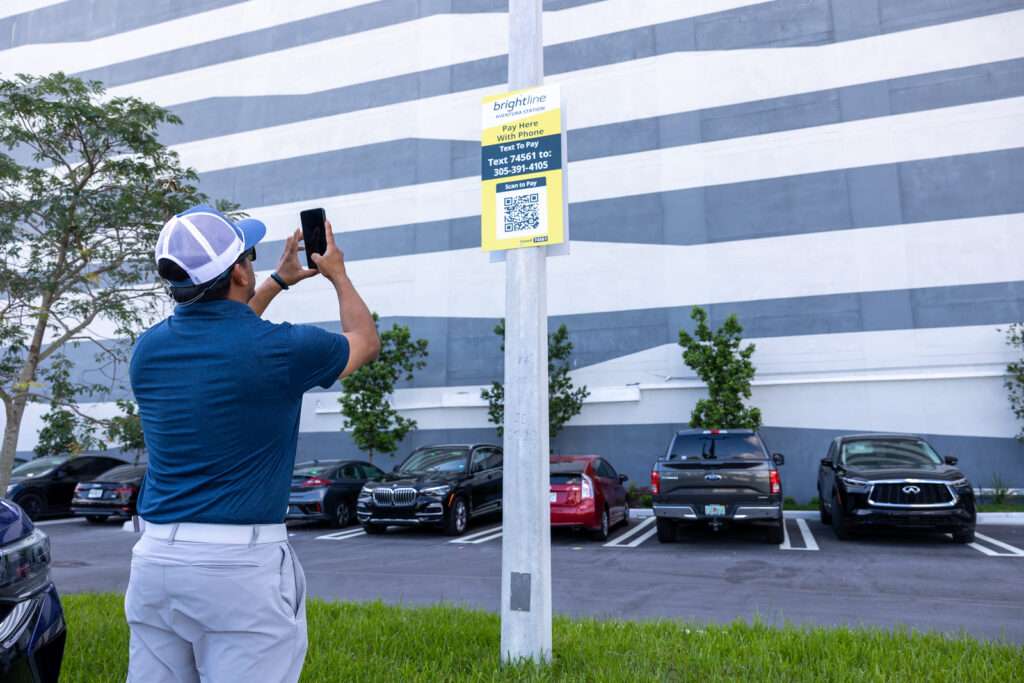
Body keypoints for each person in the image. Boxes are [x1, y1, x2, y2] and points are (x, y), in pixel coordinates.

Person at [125, 205, 379, 683]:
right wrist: (337, 275)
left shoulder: (148, 350)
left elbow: (227, 339)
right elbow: (363, 341)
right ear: (239, 270)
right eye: (250, 256)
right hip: (238, 568)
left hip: (156, 561)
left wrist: (276, 284)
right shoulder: (281, 351)